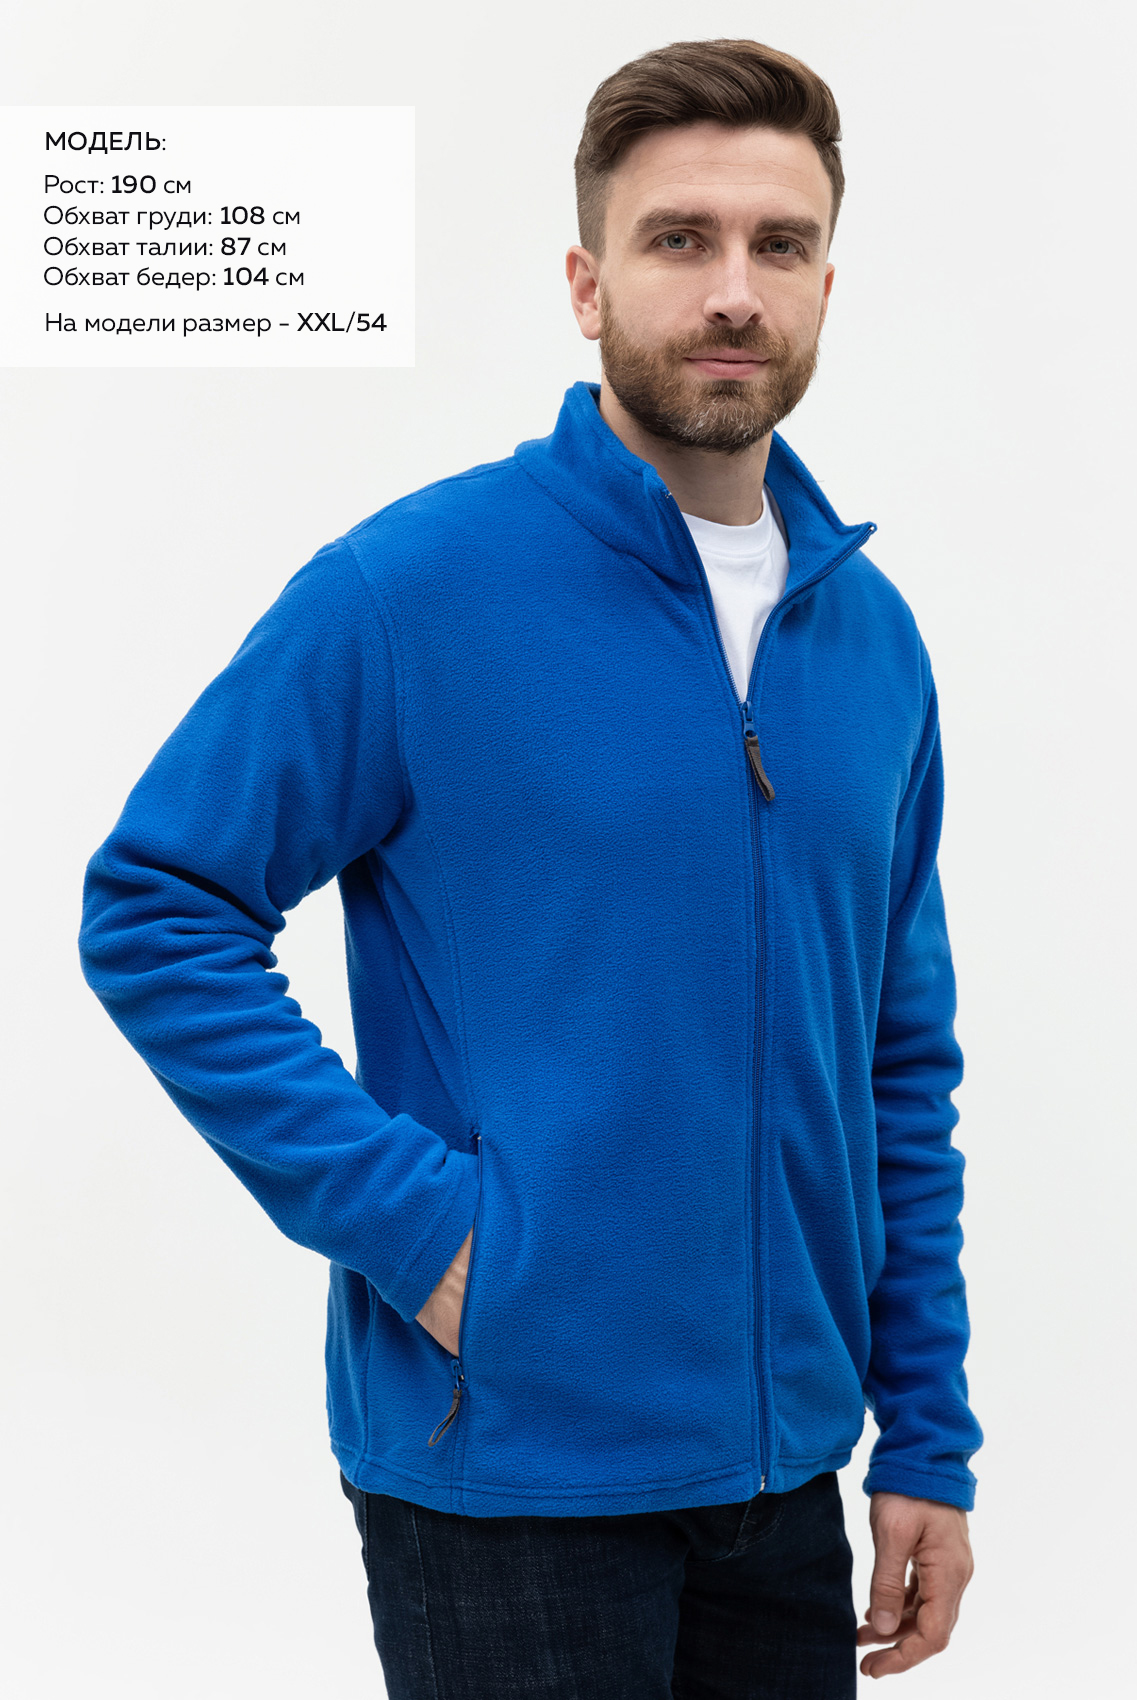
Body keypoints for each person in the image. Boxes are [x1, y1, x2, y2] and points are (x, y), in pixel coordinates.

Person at [79, 36, 983, 1698]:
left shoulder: (871, 640)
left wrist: (925, 1430)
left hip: (789, 1478)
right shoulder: (412, 592)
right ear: (586, 283)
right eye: (678, 238)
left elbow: (896, 1059)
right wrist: (425, 1235)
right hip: (509, 1476)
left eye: (778, 245)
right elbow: (157, 906)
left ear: (826, 286)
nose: (733, 290)